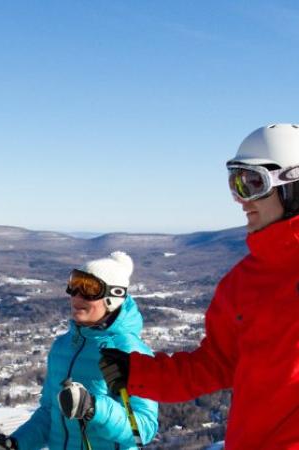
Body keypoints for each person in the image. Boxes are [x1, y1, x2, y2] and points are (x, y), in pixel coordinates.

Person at [99, 123, 299, 450]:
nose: (240, 199)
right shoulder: (242, 282)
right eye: (235, 184)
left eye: (253, 183)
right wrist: (138, 373)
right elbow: (214, 365)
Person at [0, 252, 158, 450]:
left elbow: (145, 428)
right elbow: (49, 412)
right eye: (74, 285)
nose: (77, 296)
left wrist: (94, 408)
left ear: (112, 297)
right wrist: (18, 443)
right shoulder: (62, 347)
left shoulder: (130, 352)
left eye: (90, 289)